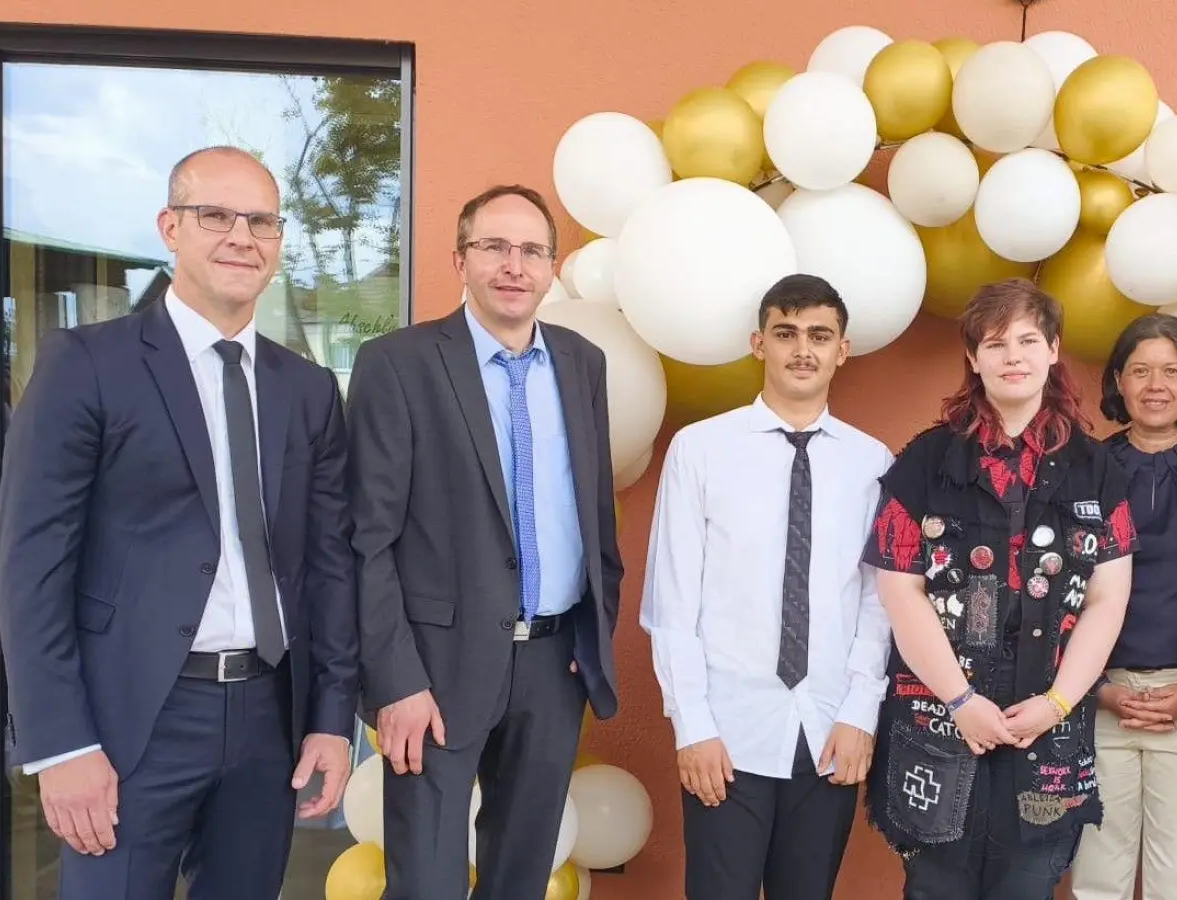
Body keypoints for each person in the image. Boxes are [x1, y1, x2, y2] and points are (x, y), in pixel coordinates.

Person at [0, 145, 359, 899]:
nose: (242, 237)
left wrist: (331, 718)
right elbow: (31, 568)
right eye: (216, 215)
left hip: (268, 717)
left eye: (261, 221)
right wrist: (60, 743)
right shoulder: (87, 364)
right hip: (129, 721)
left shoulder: (308, 389)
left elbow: (328, 566)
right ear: (170, 228)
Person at [346, 184, 623, 900]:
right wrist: (395, 681)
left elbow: (595, 514)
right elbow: (366, 541)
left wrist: (592, 633)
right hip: (434, 673)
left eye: (531, 250)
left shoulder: (583, 364)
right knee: (426, 881)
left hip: (555, 664)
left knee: (520, 876)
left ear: (551, 266)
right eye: (493, 246)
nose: (513, 265)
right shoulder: (398, 364)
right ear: (459, 259)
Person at [862, 277, 1136, 900]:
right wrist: (960, 700)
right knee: (935, 884)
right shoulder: (924, 461)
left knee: (1029, 883)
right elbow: (900, 590)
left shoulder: (1098, 469)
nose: (1013, 356)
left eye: (1028, 340)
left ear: (1053, 350)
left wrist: (1057, 703)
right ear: (973, 357)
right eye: (995, 343)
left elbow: (1107, 598)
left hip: (1050, 712)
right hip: (939, 708)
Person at [639, 274, 894, 900]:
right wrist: (692, 725)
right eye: (786, 333)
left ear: (842, 350)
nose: (802, 349)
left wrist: (860, 713)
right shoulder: (700, 450)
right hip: (726, 732)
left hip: (829, 730)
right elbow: (672, 601)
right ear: (759, 344)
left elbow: (878, 600)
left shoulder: (873, 463)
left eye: (819, 335)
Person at [1070, 314, 1177, 900]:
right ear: (1119, 380)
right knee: (1095, 881)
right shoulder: (1082, 470)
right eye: (1140, 371)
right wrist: (1095, 691)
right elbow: (1054, 593)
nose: (1155, 385)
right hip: (1096, 701)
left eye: (1171, 371)